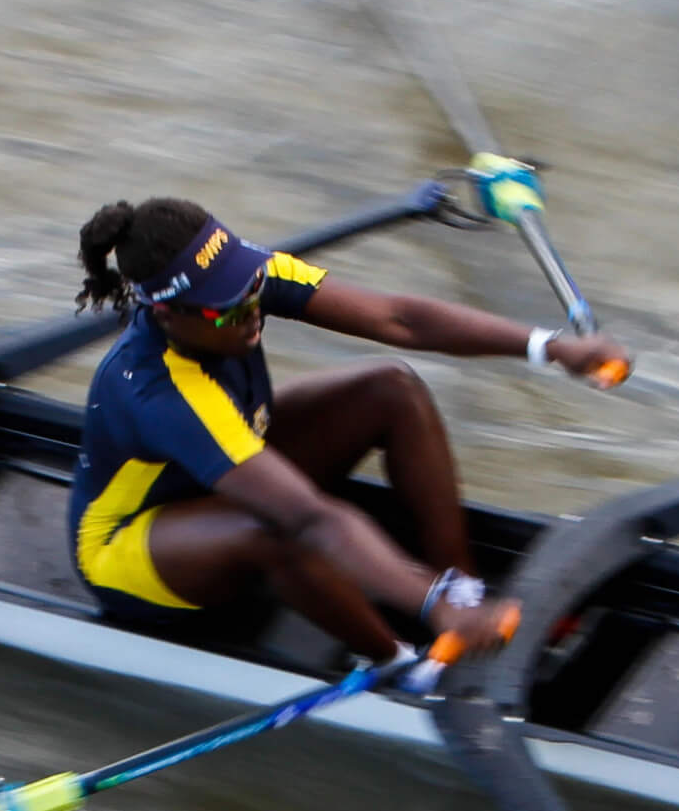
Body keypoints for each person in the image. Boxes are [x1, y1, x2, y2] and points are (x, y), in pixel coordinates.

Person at [64, 196, 627, 663]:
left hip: (220, 477)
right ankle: (399, 662)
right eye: (226, 311)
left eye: (251, 288)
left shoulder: (243, 278)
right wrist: (430, 605)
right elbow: (309, 516)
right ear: (167, 314)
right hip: (132, 550)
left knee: (391, 388)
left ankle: (464, 589)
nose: (250, 309)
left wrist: (552, 347)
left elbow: (398, 318)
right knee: (277, 526)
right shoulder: (160, 391)